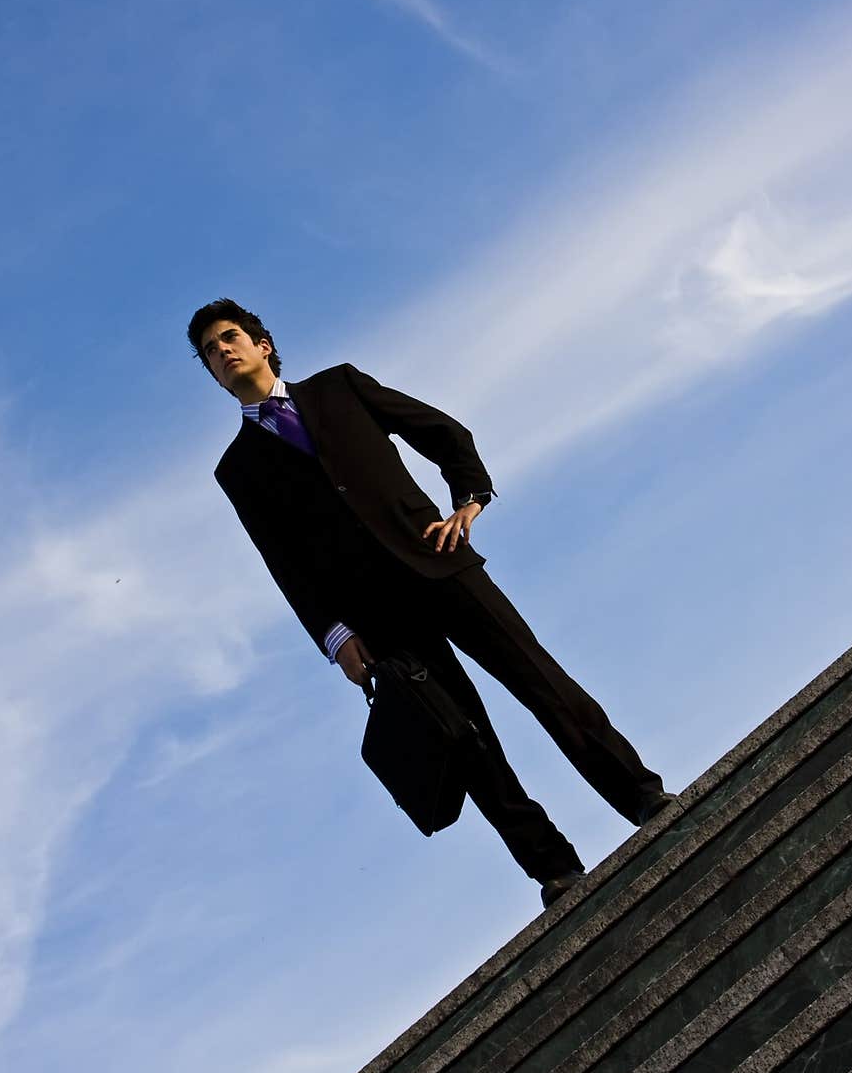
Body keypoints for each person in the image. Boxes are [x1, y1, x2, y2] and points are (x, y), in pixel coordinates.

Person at [187, 299, 674, 908]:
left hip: (440, 562)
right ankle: (553, 868)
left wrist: (469, 497)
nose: (222, 351)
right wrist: (337, 638)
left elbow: (443, 433)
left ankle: (641, 795)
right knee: (465, 743)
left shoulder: (340, 386)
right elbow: (283, 563)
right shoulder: (236, 469)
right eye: (209, 352)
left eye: (230, 337)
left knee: (542, 682)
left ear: (262, 344)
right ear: (211, 374)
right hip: (376, 615)